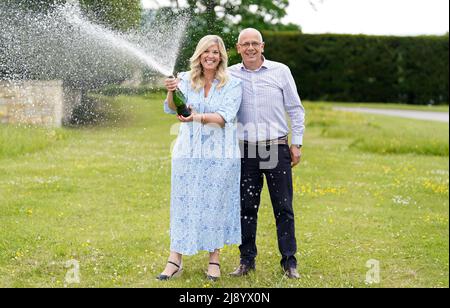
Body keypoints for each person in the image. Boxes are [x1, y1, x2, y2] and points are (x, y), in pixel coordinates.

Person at [157, 35, 243, 282]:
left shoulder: (232, 83)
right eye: (207, 51)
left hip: (220, 154)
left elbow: (225, 117)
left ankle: (214, 260)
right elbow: (172, 108)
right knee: (184, 203)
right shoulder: (184, 78)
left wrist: (196, 118)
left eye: (216, 52)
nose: (211, 56)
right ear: (199, 54)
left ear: (222, 56)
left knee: (215, 203)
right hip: (188, 152)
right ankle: (175, 259)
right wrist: (171, 91)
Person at [228, 28, 306, 279]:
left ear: (263, 46)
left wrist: (297, 144)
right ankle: (246, 260)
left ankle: (289, 262)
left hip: (276, 147)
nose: (250, 48)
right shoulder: (229, 75)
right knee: (246, 207)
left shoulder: (280, 71)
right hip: (245, 151)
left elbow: (295, 109)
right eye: (245, 44)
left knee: (283, 207)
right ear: (238, 48)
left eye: (255, 43)